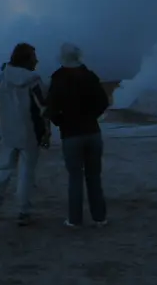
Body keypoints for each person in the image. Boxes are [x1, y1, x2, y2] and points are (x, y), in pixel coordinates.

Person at [0, 43, 49, 226]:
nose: (37, 60)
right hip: (28, 133)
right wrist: (45, 132)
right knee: (26, 173)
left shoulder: (2, 78)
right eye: (33, 56)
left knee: (3, 170)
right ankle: (23, 211)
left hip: (8, 133)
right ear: (26, 59)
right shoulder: (33, 79)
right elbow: (42, 107)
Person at [46, 42, 110, 228]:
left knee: (75, 178)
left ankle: (75, 220)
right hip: (92, 131)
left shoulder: (58, 78)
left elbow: (51, 108)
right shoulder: (90, 76)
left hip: (71, 134)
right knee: (94, 177)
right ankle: (99, 218)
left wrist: (61, 122)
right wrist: (91, 117)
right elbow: (103, 102)